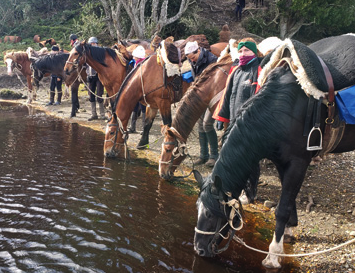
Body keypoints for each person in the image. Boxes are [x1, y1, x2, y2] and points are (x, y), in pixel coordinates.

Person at [213, 38, 263, 202]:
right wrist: (222, 117)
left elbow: (261, 99)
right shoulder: (236, 71)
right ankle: (236, 186)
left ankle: (250, 193)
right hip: (234, 122)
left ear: (254, 52)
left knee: (250, 160)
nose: (242, 54)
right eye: (240, 51)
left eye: (246, 51)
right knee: (234, 155)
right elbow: (227, 96)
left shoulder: (259, 71)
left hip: (251, 124)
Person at [185, 41, 219, 167]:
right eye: (190, 59)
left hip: (212, 95)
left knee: (207, 124)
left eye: (193, 58)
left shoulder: (212, 60)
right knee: (200, 125)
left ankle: (214, 156)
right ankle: (203, 155)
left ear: (198, 51)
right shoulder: (192, 60)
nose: (192, 61)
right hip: (200, 96)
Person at [86, 37, 106, 121]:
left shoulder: (100, 52)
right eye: (91, 43)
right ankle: (93, 114)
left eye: (94, 43)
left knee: (99, 95)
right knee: (91, 95)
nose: (93, 45)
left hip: (98, 76)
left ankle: (102, 114)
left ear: (96, 43)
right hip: (90, 76)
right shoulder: (87, 53)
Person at [128, 45, 147, 133]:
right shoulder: (135, 63)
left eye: (134, 56)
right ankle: (132, 127)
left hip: (142, 89)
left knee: (143, 108)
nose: (133, 57)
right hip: (136, 89)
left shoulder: (143, 64)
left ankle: (144, 128)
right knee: (134, 107)